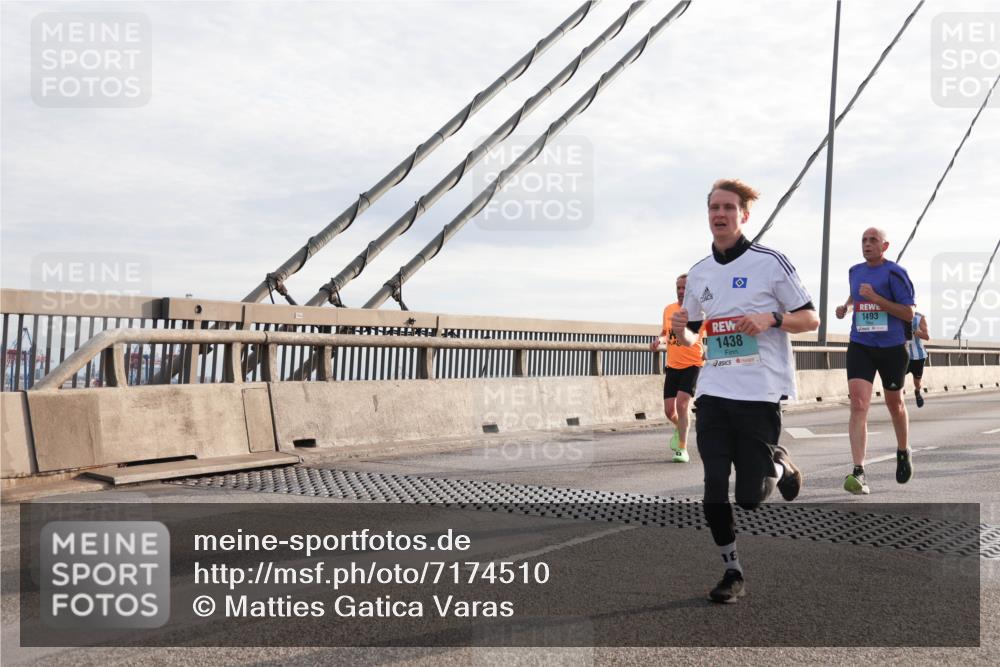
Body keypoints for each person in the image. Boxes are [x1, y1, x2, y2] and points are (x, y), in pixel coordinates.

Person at [671, 178, 819, 603]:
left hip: (759, 392)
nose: (720, 215)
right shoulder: (699, 273)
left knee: (750, 498)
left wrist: (771, 319)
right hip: (714, 391)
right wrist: (682, 333)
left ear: (744, 215)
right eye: (714, 208)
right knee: (714, 487)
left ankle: (782, 465)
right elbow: (694, 340)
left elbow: (810, 319)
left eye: (728, 208)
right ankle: (732, 571)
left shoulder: (770, 262)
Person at [834, 227, 916, 495]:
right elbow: (856, 294)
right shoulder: (854, 271)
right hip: (861, 344)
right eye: (863, 240)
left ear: (885, 246)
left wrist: (877, 299)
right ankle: (859, 470)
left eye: (873, 241)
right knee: (858, 404)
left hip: (892, 347)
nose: (867, 244)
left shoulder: (895, 273)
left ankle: (903, 450)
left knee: (896, 404)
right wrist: (846, 307)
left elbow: (908, 312)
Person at [650, 274, 705, 463]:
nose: (681, 291)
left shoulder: (699, 312)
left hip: (693, 363)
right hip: (672, 365)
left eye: (684, 288)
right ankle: (681, 426)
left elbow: (702, 336)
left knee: (682, 405)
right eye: (678, 288)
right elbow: (666, 334)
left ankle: (682, 448)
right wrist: (659, 340)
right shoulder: (669, 310)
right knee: (669, 411)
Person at [907, 311, 929, 407]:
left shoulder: (919, 318)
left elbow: (927, 336)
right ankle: (898, 399)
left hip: (918, 357)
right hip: (903, 356)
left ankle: (917, 391)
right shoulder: (895, 315)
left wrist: (914, 332)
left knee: (917, 382)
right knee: (897, 378)